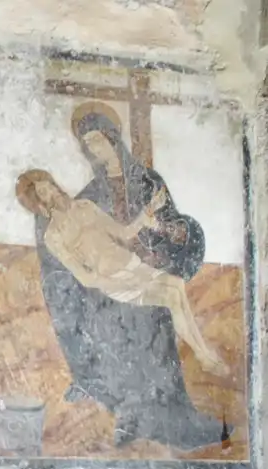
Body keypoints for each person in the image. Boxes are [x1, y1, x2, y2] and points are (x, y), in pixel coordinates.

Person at [33, 101, 224, 449]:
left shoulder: (149, 182)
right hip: (113, 285)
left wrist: (168, 233)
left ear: (112, 137)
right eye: (87, 145)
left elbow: (168, 224)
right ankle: (132, 415)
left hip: (145, 268)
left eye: (98, 140)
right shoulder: (89, 195)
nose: (94, 149)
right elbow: (76, 248)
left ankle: (171, 412)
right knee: (122, 320)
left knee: (162, 308)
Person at [16, 169, 229, 377]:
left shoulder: (85, 207)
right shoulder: (53, 235)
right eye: (43, 193)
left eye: (49, 186)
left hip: (131, 264)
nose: (51, 192)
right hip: (113, 279)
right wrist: (108, 282)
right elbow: (84, 276)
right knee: (172, 295)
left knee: (177, 286)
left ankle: (203, 354)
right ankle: (204, 356)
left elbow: (123, 233)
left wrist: (145, 215)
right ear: (39, 204)